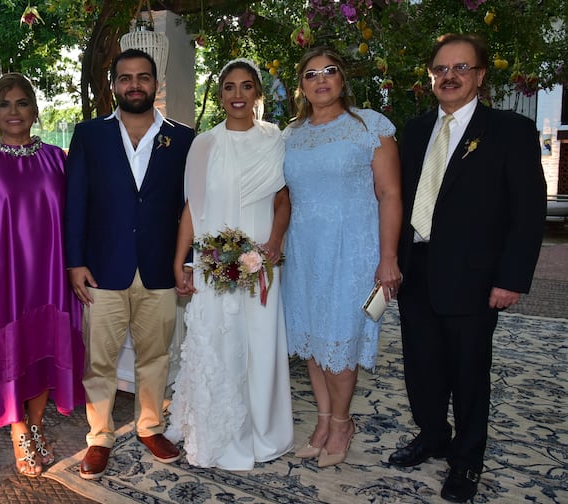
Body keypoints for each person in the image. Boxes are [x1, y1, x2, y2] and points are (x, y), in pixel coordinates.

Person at [390, 34, 546, 502]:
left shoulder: (510, 131)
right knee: (421, 365)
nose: (449, 76)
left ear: (479, 76)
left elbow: (528, 212)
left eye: (461, 68)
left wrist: (510, 279)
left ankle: (467, 460)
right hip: (415, 268)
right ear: (431, 77)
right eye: (441, 69)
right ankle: (433, 433)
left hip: (474, 278)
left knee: (469, 372)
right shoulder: (414, 131)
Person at [65, 49, 195, 480]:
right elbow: (75, 202)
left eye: (143, 77)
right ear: (114, 84)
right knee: (99, 360)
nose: (134, 84)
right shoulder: (89, 134)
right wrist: (75, 261)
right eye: (125, 78)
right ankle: (99, 437)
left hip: (160, 269)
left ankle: (150, 425)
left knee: (155, 355)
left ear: (156, 84)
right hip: (102, 269)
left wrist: (188, 262)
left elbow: (190, 208)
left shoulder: (184, 139)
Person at [0, 73, 84, 478]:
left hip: (48, 279)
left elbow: (76, 218)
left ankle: (38, 425)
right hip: (1, 280)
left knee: (43, 353)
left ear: (35, 110)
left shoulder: (58, 160)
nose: (14, 111)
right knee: (10, 355)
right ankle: (19, 432)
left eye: (22, 103)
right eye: (5, 104)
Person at [166, 58, 294, 470]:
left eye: (246, 86)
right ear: (219, 95)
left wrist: (273, 243)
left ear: (257, 92)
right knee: (218, 344)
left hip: (262, 263)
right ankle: (214, 428)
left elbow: (282, 199)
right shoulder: (204, 144)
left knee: (259, 343)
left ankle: (261, 430)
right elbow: (191, 206)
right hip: (212, 262)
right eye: (229, 87)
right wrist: (183, 261)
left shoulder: (277, 140)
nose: (237, 94)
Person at [281, 46, 402, 468]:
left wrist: (388, 256)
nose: (321, 79)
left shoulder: (369, 126)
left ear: (342, 78)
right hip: (304, 252)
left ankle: (343, 423)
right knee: (314, 344)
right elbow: (283, 198)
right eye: (311, 74)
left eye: (329, 71)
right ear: (302, 86)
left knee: (340, 345)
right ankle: (324, 419)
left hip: (352, 252)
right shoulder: (291, 134)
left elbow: (390, 194)